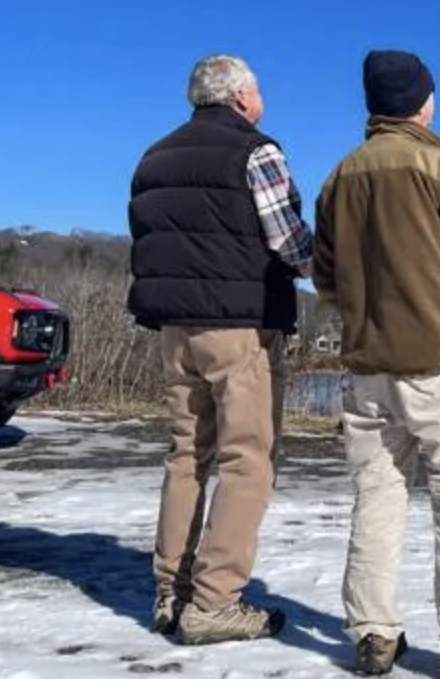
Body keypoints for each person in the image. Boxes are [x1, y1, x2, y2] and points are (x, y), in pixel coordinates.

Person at [313, 50, 440, 678]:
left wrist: (364, 319)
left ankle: (374, 634)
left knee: (377, 499)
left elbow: (326, 278)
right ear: (423, 103)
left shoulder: (339, 178)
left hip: (369, 369)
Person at [128, 54, 313, 645]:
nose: (262, 99)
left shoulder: (153, 158)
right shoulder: (256, 152)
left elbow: (149, 240)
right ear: (239, 98)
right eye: (257, 90)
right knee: (248, 460)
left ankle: (171, 591)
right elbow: (290, 243)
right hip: (239, 325)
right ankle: (214, 600)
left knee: (186, 454)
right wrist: (328, 270)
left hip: (175, 329)